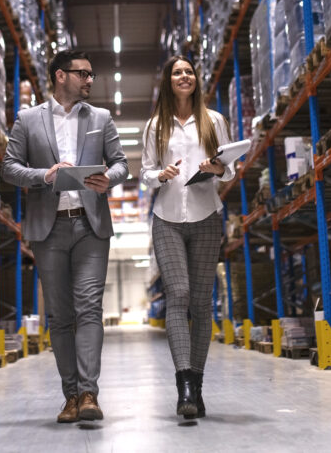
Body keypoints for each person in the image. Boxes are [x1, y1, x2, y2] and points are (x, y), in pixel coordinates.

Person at [2, 49, 128, 423]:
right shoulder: (28, 119)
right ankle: (70, 396)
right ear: (61, 75)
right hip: (49, 227)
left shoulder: (101, 118)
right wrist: (44, 175)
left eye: (91, 75)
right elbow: (9, 168)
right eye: (83, 74)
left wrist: (109, 179)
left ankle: (89, 394)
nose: (89, 80)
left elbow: (121, 164)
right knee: (59, 315)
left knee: (89, 308)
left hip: (90, 226)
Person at [140, 55, 234, 419]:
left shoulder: (214, 121)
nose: (184, 76)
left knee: (201, 302)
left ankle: (197, 383)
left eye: (189, 72)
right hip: (167, 218)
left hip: (206, 215)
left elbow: (230, 170)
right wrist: (159, 175)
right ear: (168, 80)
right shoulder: (155, 125)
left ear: (196, 79)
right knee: (178, 294)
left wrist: (218, 168)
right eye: (177, 72)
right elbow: (145, 173)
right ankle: (184, 385)